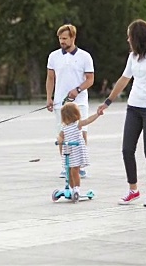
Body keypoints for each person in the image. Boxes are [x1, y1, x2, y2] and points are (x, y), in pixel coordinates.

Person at [97, 19, 146, 207]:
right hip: (133, 107)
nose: (127, 39)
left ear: (138, 37)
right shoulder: (133, 57)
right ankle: (133, 189)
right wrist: (108, 102)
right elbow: (124, 79)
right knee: (127, 149)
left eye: (129, 36)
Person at [46, 24, 95, 178]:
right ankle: (66, 165)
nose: (62, 41)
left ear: (73, 38)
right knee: (62, 134)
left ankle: (79, 166)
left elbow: (90, 79)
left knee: (81, 133)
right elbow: (50, 78)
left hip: (79, 102)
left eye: (65, 38)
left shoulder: (84, 56)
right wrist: (49, 97)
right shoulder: (53, 56)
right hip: (60, 103)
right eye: (60, 39)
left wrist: (78, 90)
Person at [56, 102, 101, 202]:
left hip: (77, 151)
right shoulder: (64, 127)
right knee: (68, 171)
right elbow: (60, 136)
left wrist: (97, 114)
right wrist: (59, 139)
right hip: (69, 152)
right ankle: (71, 189)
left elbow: (88, 120)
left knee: (74, 171)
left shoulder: (77, 124)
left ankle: (77, 188)